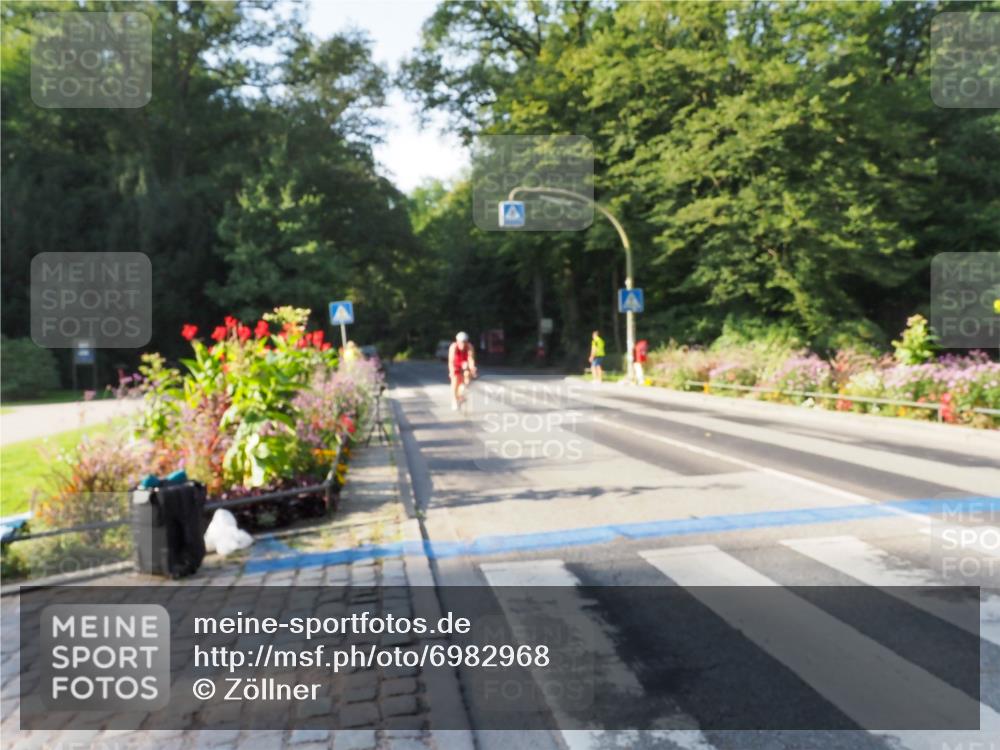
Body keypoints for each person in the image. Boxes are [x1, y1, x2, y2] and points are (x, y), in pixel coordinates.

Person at [448, 331, 477, 410]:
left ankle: (462, 392)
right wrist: (451, 371)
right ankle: (454, 400)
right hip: (456, 364)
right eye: (461, 342)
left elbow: (471, 359)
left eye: (465, 342)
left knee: (467, 376)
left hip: (465, 363)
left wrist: (472, 368)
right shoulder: (453, 347)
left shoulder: (469, 346)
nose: (463, 344)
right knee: (455, 381)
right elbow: (451, 361)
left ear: (467, 342)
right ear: (457, 341)